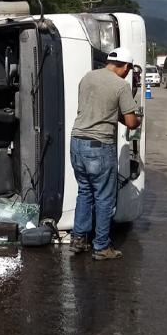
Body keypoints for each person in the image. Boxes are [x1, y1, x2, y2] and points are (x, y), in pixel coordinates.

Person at [69, 47, 142, 261]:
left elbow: (100, 110)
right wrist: (137, 120)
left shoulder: (87, 77)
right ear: (126, 67)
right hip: (99, 146)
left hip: (77, 142)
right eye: (129, 70)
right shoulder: (121, 85)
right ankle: (101, 246)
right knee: (104, 198)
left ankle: (78, 240)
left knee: (85, 192)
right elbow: (130, 122)